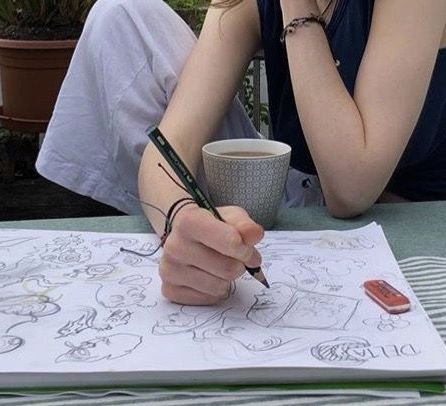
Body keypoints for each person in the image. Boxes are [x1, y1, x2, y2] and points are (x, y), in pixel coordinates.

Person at [36, 0, 446, 305]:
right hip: (294, 192)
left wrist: (297, 9)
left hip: (400, 215)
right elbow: (170, 146)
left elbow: (352, 189)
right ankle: (198, 249)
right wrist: (181, 218)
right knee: (122, 14)